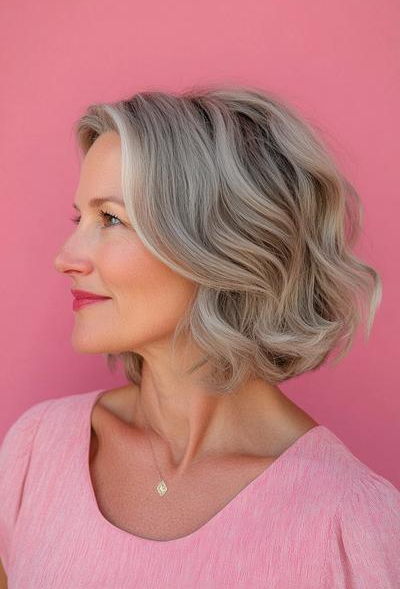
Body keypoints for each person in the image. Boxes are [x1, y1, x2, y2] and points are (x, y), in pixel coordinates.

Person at [1, 85, 399, 588]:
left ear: (216, 243)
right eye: (79, 218)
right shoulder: (38, 450)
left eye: (111, 219)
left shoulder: (352, 525)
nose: (66, 256)